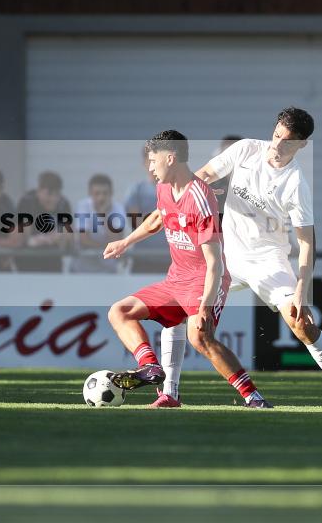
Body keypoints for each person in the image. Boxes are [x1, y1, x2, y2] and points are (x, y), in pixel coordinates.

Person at [158, 108, 322, 410]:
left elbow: (307, 243)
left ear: (301, 146)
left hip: (267, 260)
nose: (277, 146)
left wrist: (301, 291)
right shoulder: (245, 149)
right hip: (225, 254)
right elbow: (202, 176)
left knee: (300, 324)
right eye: (276, 136)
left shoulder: (296, 184)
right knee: (177, 308)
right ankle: (170, 392)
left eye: (287, 142)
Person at [103, 130, 272, 408]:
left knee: (199, 337)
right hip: (176, 279)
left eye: (153, 160)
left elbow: (215, 262)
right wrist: (125, 242)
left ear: (170, 158)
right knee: (118, 311)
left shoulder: (201, 197)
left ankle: (253, 397)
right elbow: (158, 219)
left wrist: (205, 305)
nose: (150, 167)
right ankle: (150, 368)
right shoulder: (163, 188)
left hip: (204, 279)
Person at [15, 171, 72, 272]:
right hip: (27, 261)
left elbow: (67, 236)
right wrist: (42, 239)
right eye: (49, 194)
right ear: (39, 191)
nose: (53, 199)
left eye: (56, 194)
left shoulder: (63, 203)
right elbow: (23, 236)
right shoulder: (27, 202)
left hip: (52, 261)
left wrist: (59, 238)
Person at [123, 148, 169, 273]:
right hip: (142, 260)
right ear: (144, 162)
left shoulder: (178, 190)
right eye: (151, 160)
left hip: (171, 261)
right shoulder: (136, 191)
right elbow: (137, 224)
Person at [71, 174, 125, 273]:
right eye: (97, 193)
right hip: (82, 269)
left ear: (111, 193)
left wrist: (103, 215)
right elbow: (83, 240)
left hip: (108, 270)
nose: (101, 197)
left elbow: (116, 240)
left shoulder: (118, 209)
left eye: (105, 193)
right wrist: (108, 248)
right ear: (90, 194)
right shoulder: (83, 207)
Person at [210, 134, 243, 214]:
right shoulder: (210, 186)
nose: (228, 161)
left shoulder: (257, 183)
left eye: (233, 156)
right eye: (225, 157)